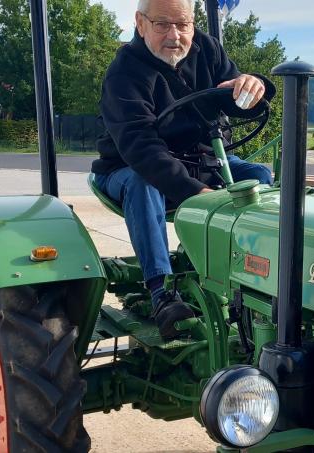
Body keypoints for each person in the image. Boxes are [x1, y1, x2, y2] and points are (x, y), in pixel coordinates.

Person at [92, 0, 274, 340]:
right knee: (143, 184)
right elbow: (141, 149)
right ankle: (161, 292)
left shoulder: (207, 49)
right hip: (128, 166)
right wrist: (197, 194)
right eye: (162, 25)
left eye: (183, 24)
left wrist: (252, 87)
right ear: (140, 23)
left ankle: (249, 279)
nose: (175, 36)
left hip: (201, 160)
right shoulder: (124, 73)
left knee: (258, 178)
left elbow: (235, 98)